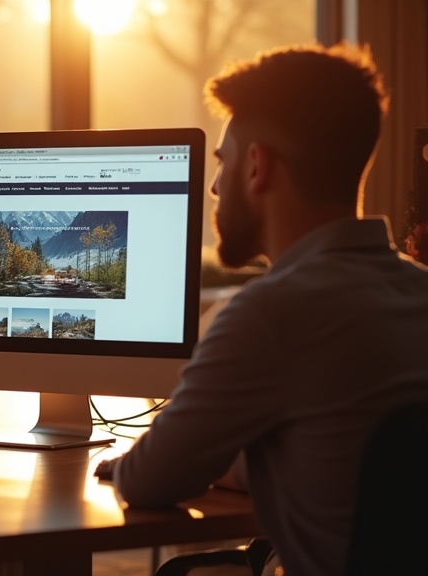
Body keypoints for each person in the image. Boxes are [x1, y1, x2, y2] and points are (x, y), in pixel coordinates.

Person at [106, 43, 428, 575]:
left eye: (223, 161)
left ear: (257, 166)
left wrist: (231, 458)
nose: (213, 185)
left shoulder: (267, 316)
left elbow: (147, 479)